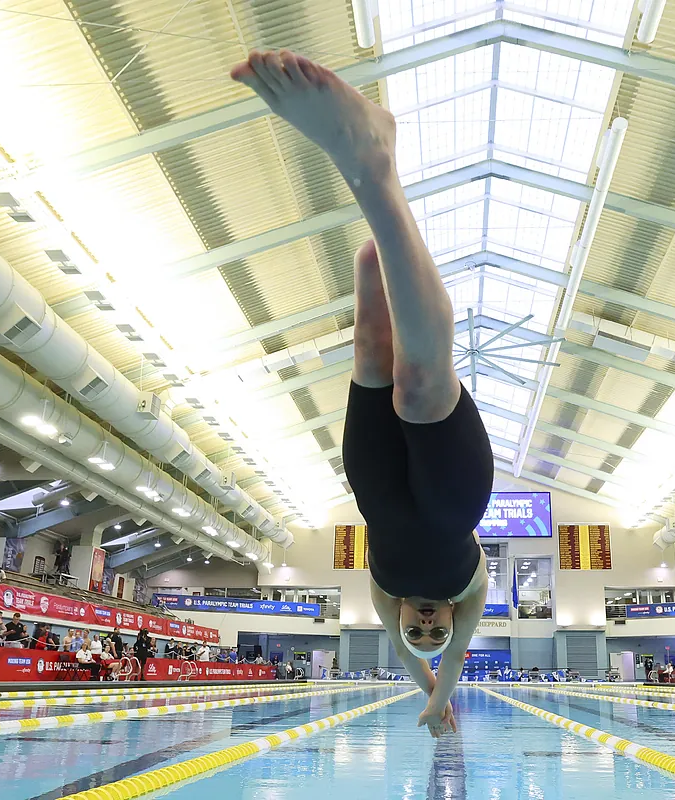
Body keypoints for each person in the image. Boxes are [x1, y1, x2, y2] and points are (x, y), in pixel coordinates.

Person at [231, 49, 497, 739]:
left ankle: (378, 208)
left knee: (373, 353)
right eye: (436, 631)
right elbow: (452, 663)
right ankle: (375, 170)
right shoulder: (468, 602)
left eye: (421, 633)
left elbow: (411, 659)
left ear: (403, 628)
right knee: (418, 386)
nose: (430, 625)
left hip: (375, 491)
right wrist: (439, 698)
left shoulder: (383, 601)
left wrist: (420, 679)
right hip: (455, 497)